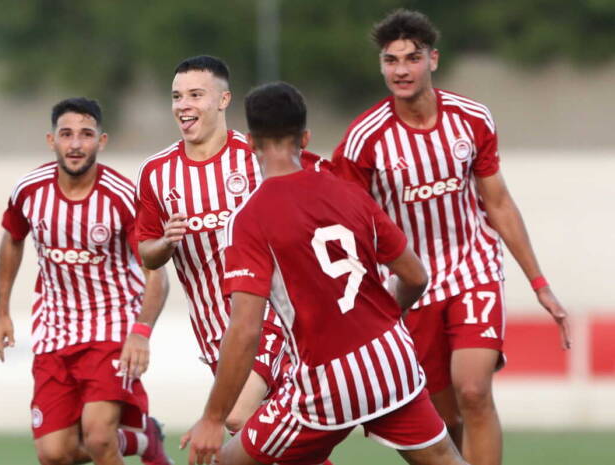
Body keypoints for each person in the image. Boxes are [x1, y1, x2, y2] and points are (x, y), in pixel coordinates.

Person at [184, 81, 471, 465]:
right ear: (305, 138)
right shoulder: (349, 193)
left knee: (229, 462)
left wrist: (212, 418)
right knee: (445, 459)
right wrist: (385, 318)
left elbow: (245, 329)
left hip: (325, 380)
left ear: (250, 142)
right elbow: (416, 276)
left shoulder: (249, 218)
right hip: (391, 357)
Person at [331, 10, 571, 465]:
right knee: (445, 420)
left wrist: (540, 284)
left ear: (433, 60)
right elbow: (345, 221)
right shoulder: (365, 138)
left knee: (474, 390)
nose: (401, 70)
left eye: (412, 58)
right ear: (381, 66)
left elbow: (498, 202)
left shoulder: (471, 118)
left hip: (473, 269)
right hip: (410, 285)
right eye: (391, 60)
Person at [135, 56, 330, 435]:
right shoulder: (156, 173)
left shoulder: (257, 153)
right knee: (270, 438)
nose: (183, 105)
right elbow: (147, 253)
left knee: (238, 417)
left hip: (273, 317)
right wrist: (166, 243)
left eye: (195, 95)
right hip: (215, 336)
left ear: (223, 100)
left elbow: (329, 184)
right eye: (177, 96)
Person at [0, 97, 173, 465]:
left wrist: (140, 332)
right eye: (67, 134)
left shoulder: (122, 196)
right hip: (55, 331)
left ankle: (129, 440)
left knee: (99, 437)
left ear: (101, 141)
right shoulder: (29, 190)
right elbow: (13, 239)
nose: (75, 144)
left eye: (86, 134)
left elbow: (157, 275)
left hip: (112, 326)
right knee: (54, 453)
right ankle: (144, 440)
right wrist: (1, 311)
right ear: (51, 140)